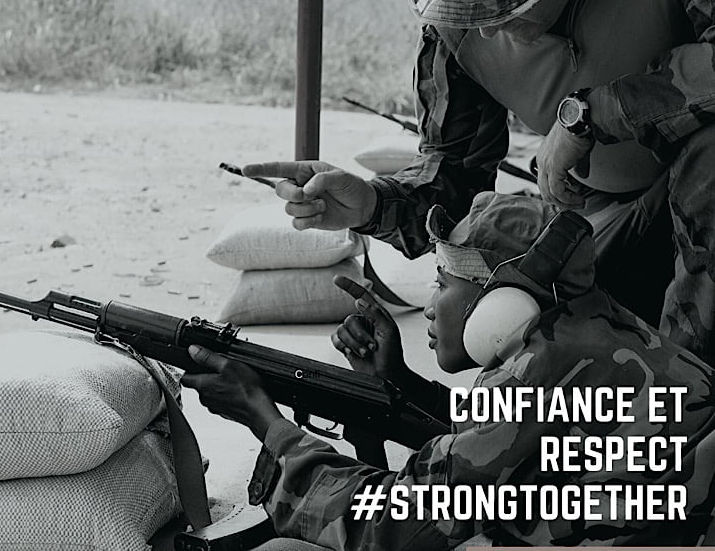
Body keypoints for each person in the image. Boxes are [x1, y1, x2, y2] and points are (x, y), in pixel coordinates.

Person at [243, 0, 715, 366]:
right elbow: (457, 173)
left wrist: (589, 114)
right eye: (474, 8)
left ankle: (689, 392)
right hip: (603, 227)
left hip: (700, 207)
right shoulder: (455, 28)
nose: (489, 26)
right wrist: (374, 204)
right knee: (491, 321)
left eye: (505, 1)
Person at [181, 192, 715, 549]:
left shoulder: (534, 372)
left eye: (442, 283)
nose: (431, 307)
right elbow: (505, 449)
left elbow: (386, 528)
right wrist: (401, 383)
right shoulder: (597, 326)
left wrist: (267, 422)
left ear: (500, 304)